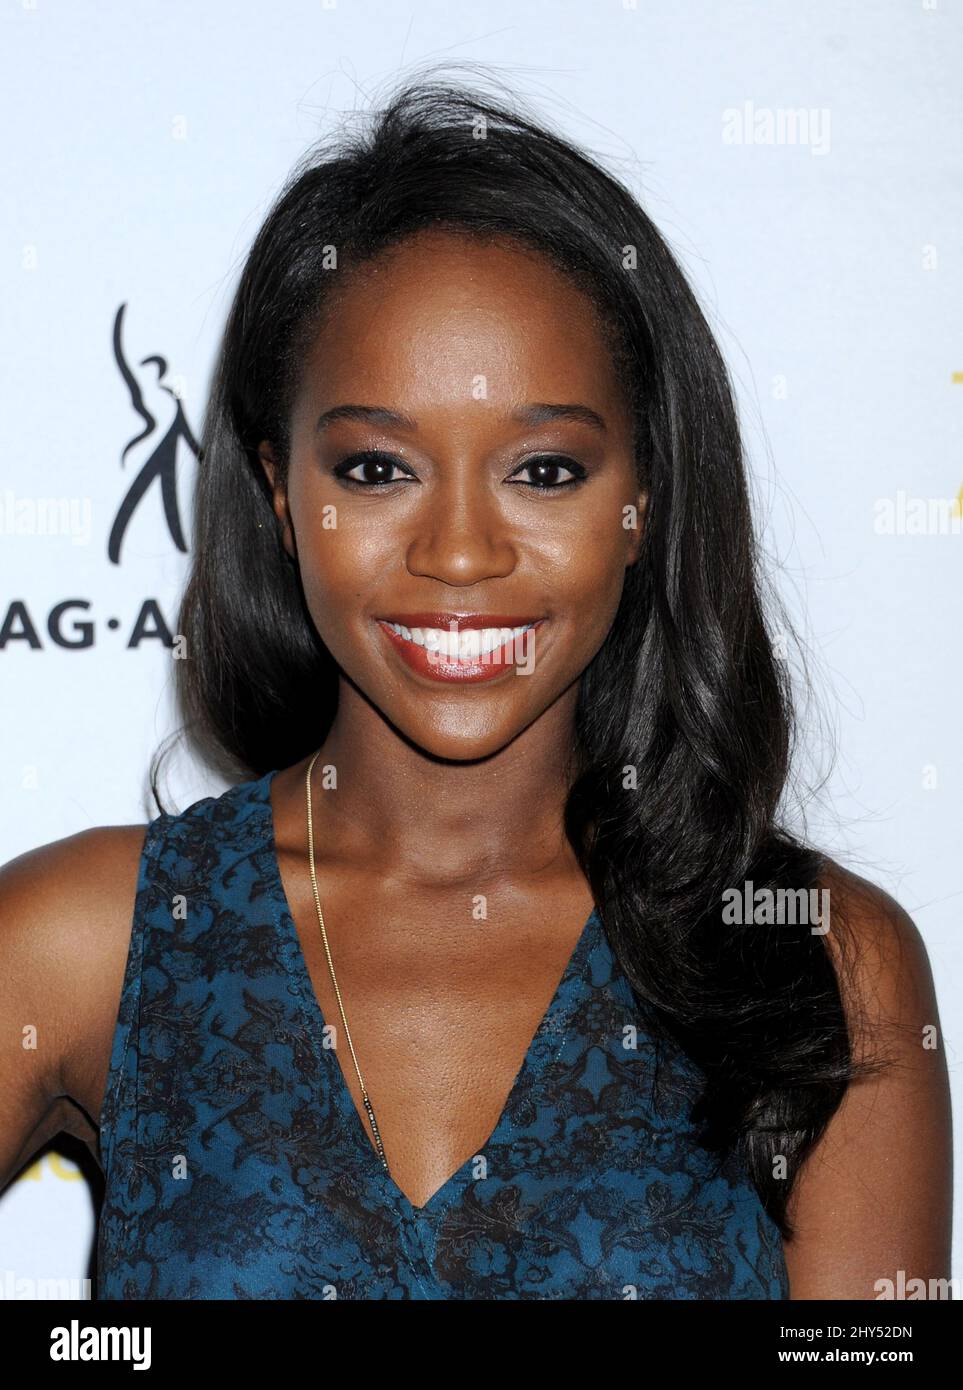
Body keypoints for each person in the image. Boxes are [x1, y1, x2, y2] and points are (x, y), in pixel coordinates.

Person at [0, 67, 951, 1300]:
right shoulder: (90, 942)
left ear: (642, 499)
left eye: (544, 471)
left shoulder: (825, 962)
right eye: (379, 467)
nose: (459, 553)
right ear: (282, 494)